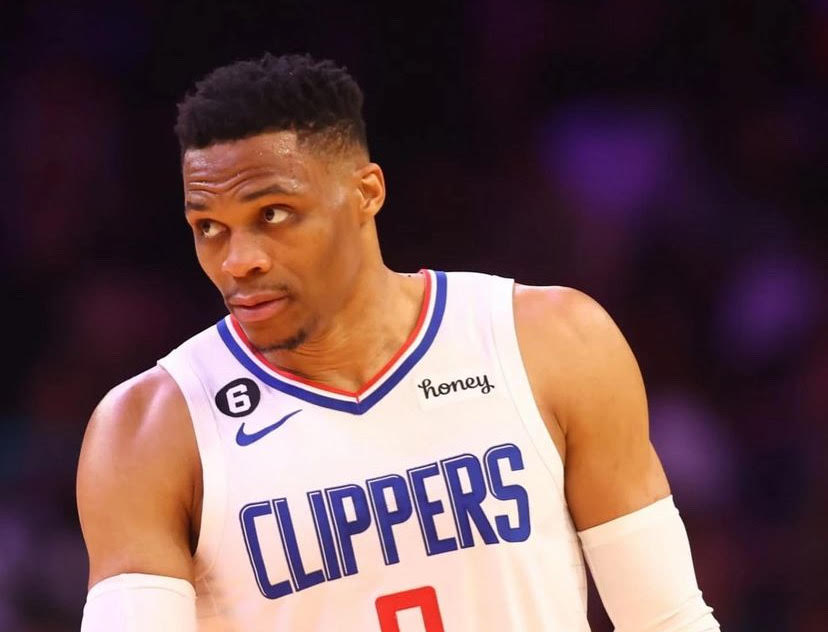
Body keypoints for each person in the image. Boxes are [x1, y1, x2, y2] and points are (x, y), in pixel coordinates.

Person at [76, 53, 720, 631]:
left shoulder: (548, 340)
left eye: (272, 214)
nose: (238, 260)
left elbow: (666, 621)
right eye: (209, 227)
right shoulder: (151, 429)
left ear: (366, 193)